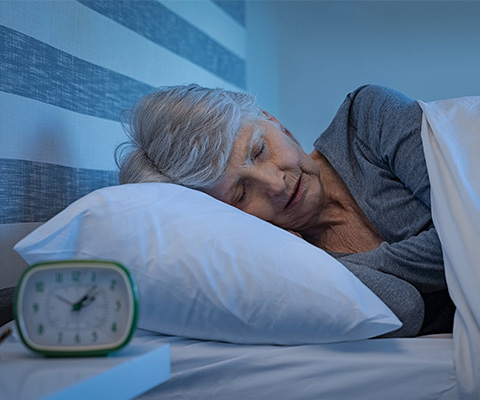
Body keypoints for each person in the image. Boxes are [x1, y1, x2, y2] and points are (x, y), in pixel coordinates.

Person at [116, 84, 455, 337]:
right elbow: (403, 308)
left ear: (274, 122)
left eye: (260, 150)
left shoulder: (366, 120)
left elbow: (470, 237)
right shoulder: (285, 266)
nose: (274, 185)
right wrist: (302, 256)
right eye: (240, 195)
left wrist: (357, 263)